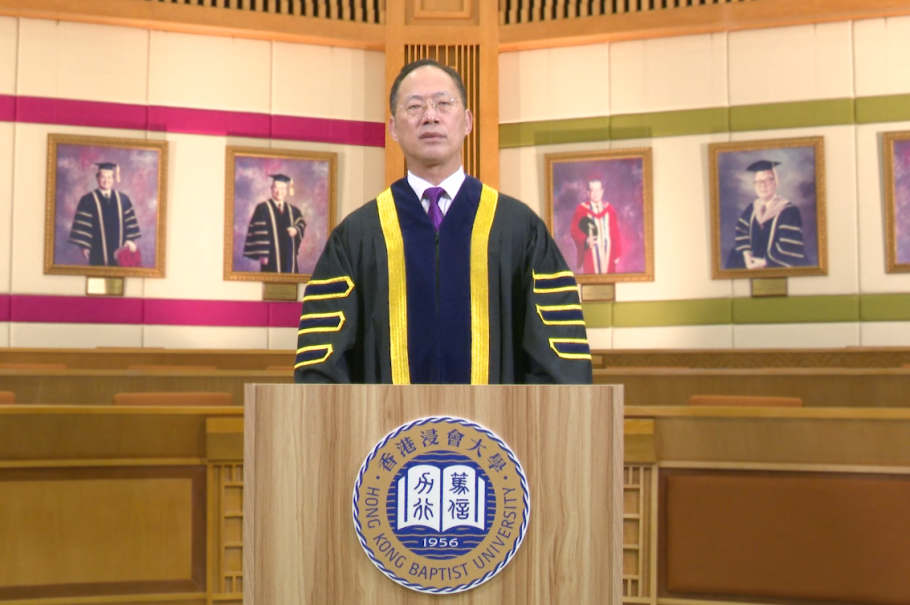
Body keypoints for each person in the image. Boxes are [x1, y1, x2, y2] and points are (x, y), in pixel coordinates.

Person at [294, 59, 592, 384]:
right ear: (393, 128)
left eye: (443, 103)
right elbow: (321, 368)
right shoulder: (357, 237)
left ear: (467, 121)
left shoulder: (520, 230)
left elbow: (560, 364)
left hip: (496, 420)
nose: (430, 116)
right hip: (386, 420)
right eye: (415, 106)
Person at [726, 160, 807, 269]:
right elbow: (741, 231)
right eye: (758, 182)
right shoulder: (752, 208)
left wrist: (764, 262)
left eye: (767, 181)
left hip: (776, 265)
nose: (762, 186)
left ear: (775, 182)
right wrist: (747, 256)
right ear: (754, 185)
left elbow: (789, 247)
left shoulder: (789, 211)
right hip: (750, 263)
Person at [68, 162, 140, 266]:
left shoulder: (123, 199)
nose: (106, 181)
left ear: (113, 179)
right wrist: (84, 246)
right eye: (103, 177)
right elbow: (83, 226)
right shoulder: (87, 200)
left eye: (109, 177)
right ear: (97, 178)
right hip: (97, 250)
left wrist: (130, 240)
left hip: (120, 250)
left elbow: (130, 222)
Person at [243, 174, 307, 273]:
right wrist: (263, 253)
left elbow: (301, 222)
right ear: (271, 189)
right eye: (276, 188)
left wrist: (296, 229)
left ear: (286, 190)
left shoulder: (293, 210)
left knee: (290, 277)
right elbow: (258, 232)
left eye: (282, 188)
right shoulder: (262, 208)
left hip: (289, 257)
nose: (279, 191)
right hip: (270, 258)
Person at [569, 178, 621, 273]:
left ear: (602, 191)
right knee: (592, 279)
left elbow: (615, 232)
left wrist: (617, 253)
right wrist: (586, 240)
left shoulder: (609, 209)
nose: (595, 193)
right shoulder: (581, 210)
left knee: (609, 280)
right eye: (592, 190)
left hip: (609, 255)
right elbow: (574, 231)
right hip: (590, 254)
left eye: (598, 190)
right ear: (588, 193)